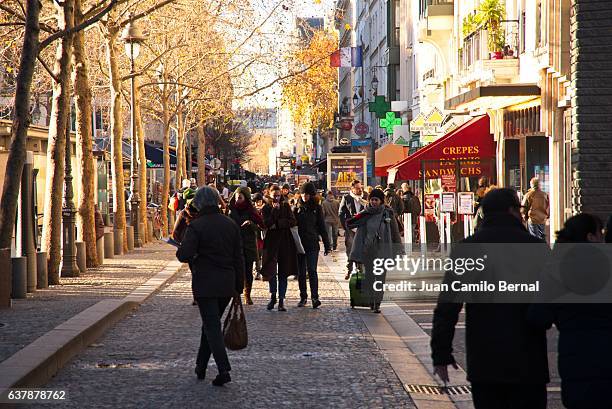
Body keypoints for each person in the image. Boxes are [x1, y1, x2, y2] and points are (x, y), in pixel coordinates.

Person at [431, 188, 550, 409]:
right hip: (528, 358)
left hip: (485, 358)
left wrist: (441, 354)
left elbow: (447, 305)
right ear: (512, 211)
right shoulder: (535, 248)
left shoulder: (467, 248)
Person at [528, 213, 611, 409]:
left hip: (576, 359)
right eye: (600, 233)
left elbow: (538, 317)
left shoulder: (556, 270)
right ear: (590, 237)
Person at [175, 187, 244, 387]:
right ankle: (201, 366)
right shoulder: (230, 224)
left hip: (205, 283)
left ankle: (224, 369)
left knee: (212, 326)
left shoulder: (197, 226)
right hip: (226, 284)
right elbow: (239, 258)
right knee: (210, 325)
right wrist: (238, 286)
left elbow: (183, 255)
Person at [346, 188, 401, 313]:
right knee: (370, 277)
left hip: (383, 251)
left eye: (376, 200)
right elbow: (351, 224)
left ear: (381, 201)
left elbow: (395, 232)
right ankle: (372, 300)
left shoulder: (388, 213)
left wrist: (398, 249)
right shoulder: (365, 213)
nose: (373, 202)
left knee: (380, 278)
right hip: (368, 251)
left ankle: (377, 303)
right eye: (372, 200)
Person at [294, 182, 331, 308]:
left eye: (307, 194)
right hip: (299, 244)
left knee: (312, 270)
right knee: (301, 272)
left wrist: (327, 244)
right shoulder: (296, 208)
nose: (305, 196)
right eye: (303, 193)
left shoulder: (317, 208)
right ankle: (303, 297)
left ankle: (315, 297)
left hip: (312, 243)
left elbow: (322, 226)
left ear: (311, 195)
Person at [261, 185, 298, 311]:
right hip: (271, 243)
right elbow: (266, 223)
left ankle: (282, 299)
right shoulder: (266, 208)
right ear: (269, 195)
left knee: (284, 271)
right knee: (271, 271)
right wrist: (273, 212)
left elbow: (292, 221)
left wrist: (278, 224)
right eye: (274, 195)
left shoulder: (286, 206)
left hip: (285, 241)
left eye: (278, 195)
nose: (277, 198)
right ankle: (273, 296)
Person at [228, 187, 265, 305]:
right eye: (237, 197)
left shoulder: (251, 210)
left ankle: (247, 294)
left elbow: (261, 226)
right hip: (233, 244)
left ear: (245, 198)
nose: (238, 199)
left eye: (240, 197)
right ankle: (236, 294)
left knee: (248, 271)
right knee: (235, 271)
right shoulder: (230, 210)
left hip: (248, 244)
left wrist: (251, 224)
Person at [339, 180, 368, 280]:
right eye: (357, 188)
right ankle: (349, 268)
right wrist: (346, 226)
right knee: (350, 249)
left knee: (361, 248)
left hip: (362, 228)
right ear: (352, 189)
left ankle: (360, 267)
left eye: (361, 187)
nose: (360, 190)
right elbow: (341, 213)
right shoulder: (346, 198)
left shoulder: (366, 197)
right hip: (351, 228)